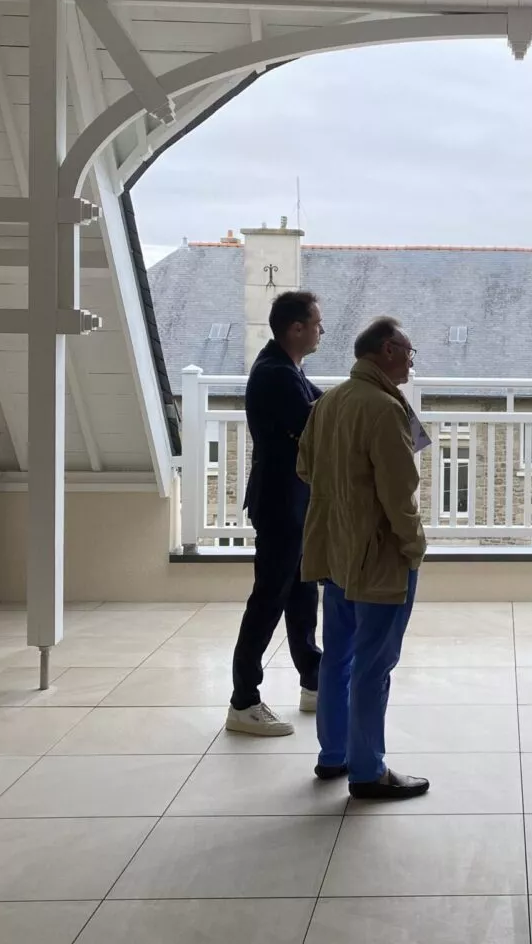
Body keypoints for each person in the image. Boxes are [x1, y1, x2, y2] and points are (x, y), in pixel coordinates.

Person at [297, 317, 429, 800]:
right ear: (388, 349)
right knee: (375, 664)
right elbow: (400, 493)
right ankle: (368, 770)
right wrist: (413, 546)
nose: (413, 360)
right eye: (410, 351)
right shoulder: (382, 408)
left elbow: (305, 467)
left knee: (339, 657)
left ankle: (333, 755)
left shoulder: (328, 401)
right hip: (378, 555)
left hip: (335, 549)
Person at [226, 291, 325, 736]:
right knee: (269, 597)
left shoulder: (290, 371)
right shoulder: (275, 375)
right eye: (317, 323)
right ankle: (244, 700)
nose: (322, 330)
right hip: (280, 503)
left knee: (303, 592)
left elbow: (328, 405)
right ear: (296, 328)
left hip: (295, 501)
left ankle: (313, 680)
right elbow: (323, 422)